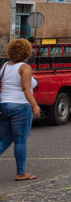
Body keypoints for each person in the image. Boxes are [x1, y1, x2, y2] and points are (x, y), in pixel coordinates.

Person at [0, 38, 42, 181]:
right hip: (20, 106)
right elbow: (25, 88)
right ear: (27, 52)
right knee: (20, 140)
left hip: (4, 104)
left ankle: (21, 172)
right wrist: (34, 105)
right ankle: (21, 172)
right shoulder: (25, 67)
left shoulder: (5, 66)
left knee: (5, 139)